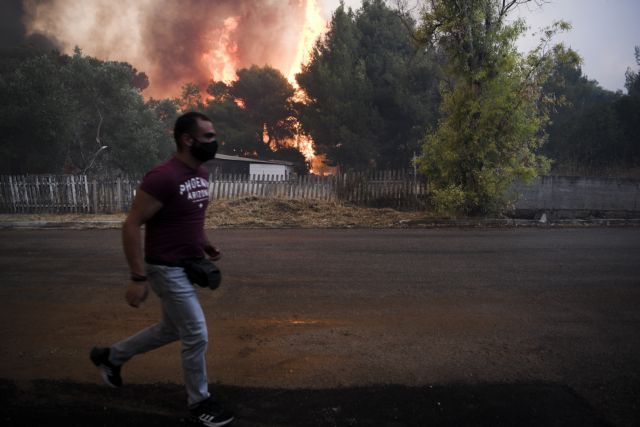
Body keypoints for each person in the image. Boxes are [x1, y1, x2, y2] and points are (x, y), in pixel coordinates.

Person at [90, 111, 234, 427]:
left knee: (171, 329)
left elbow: (189, 219)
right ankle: (200, 403)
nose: (214, 141)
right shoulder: (163, 177)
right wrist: (137, 277)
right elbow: (131, 224)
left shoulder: (202, 175)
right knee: (195, 331)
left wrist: (205, 244)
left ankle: (111, 357)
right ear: (187, 139)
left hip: (188, 264)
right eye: (208, 136)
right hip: (164, 268)